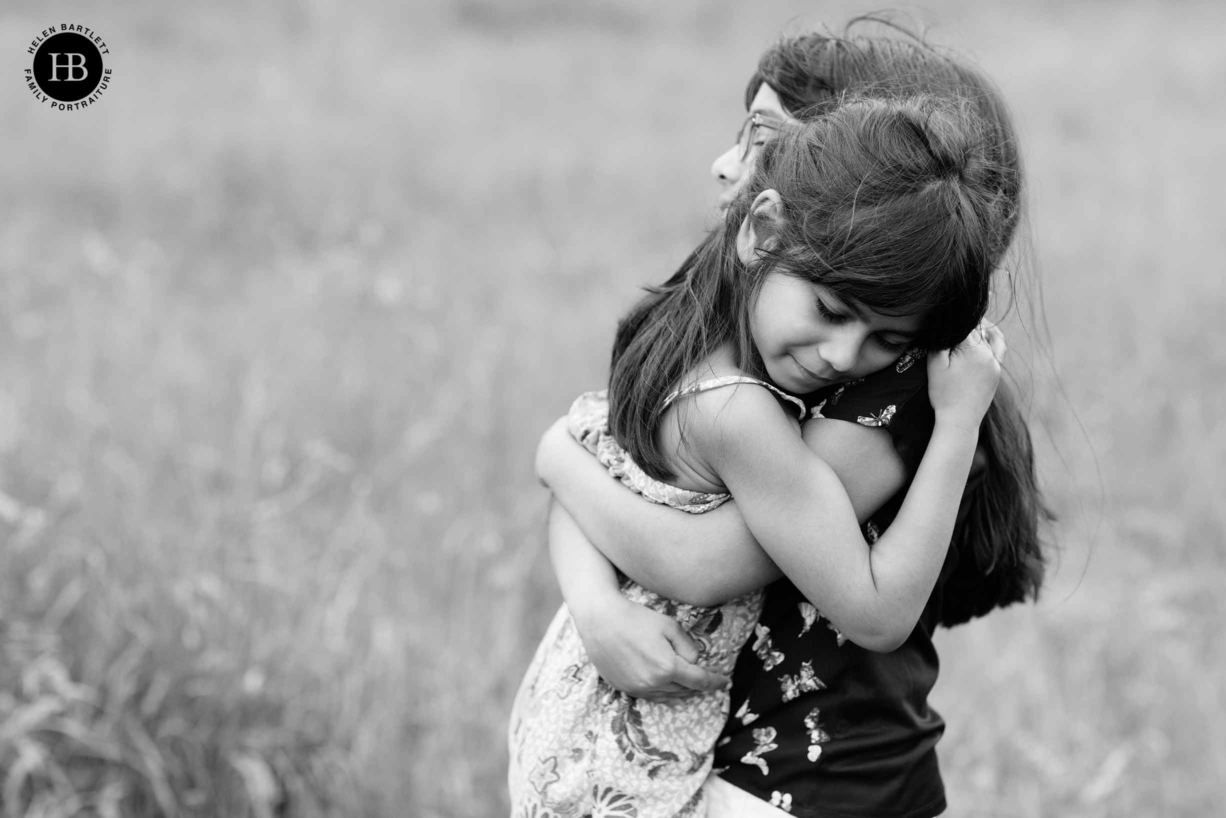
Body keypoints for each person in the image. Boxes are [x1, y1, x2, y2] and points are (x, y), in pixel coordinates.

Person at [533, 22, 1049, 818]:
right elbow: (618, 464)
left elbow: (700, 562)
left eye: (765, 138)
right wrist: (593, 596)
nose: (727, 164)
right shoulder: (738, 328)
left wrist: (557, 454)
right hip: (721, 762)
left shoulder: (888, 385)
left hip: (812, 779)